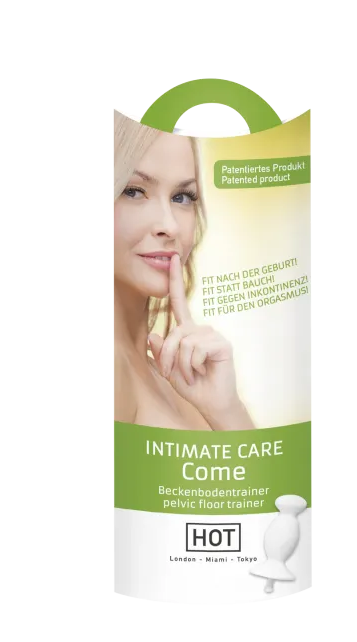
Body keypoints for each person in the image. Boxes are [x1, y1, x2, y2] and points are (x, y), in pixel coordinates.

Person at [112, 113, 254, 431]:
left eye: (182, 197)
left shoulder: (168, 377)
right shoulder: (111, 367)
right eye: (133, 191)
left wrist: (227, 410)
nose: (170, 226)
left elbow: (261, 468)